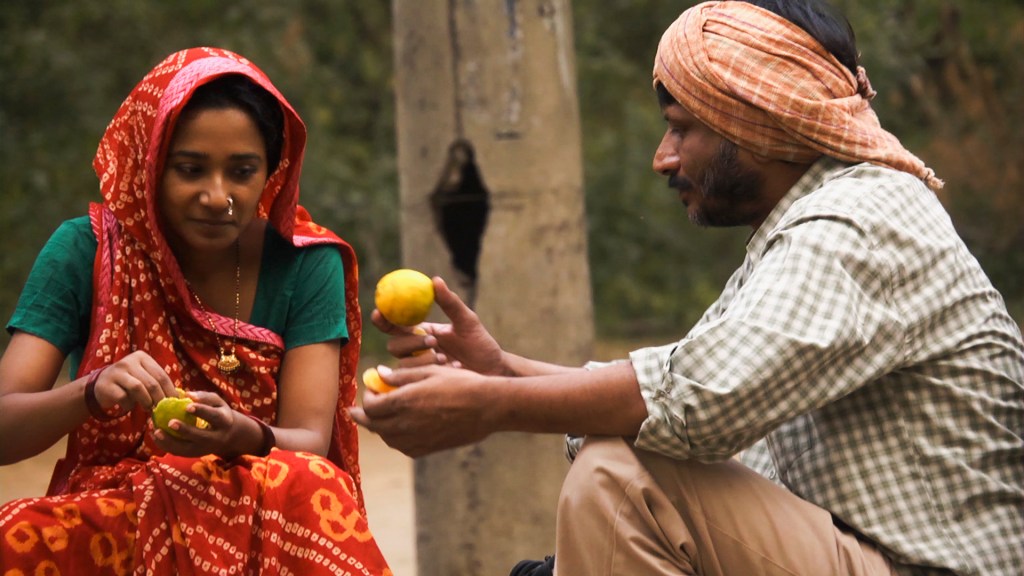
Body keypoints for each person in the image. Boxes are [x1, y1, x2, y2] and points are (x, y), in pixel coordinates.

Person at [351, 1, 1024, 575]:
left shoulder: (856, 224)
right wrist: (503, 371)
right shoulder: (813, 225)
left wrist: (494, 402)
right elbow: (682, 391)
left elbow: (690, 403)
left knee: (623, 483)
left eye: (682, 127)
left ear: (760, 119)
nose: (663, 158)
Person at [0, 47, 392, 574]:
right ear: (150, 164)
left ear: (271, 172)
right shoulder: (87, 249)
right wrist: (92, 391)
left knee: (311, 482)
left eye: (242, 171)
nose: (217, 196)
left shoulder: (306, 262)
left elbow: (309, 441)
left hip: (260, 510)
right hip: (120, 516)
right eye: (190, 169)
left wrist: (241, 434)